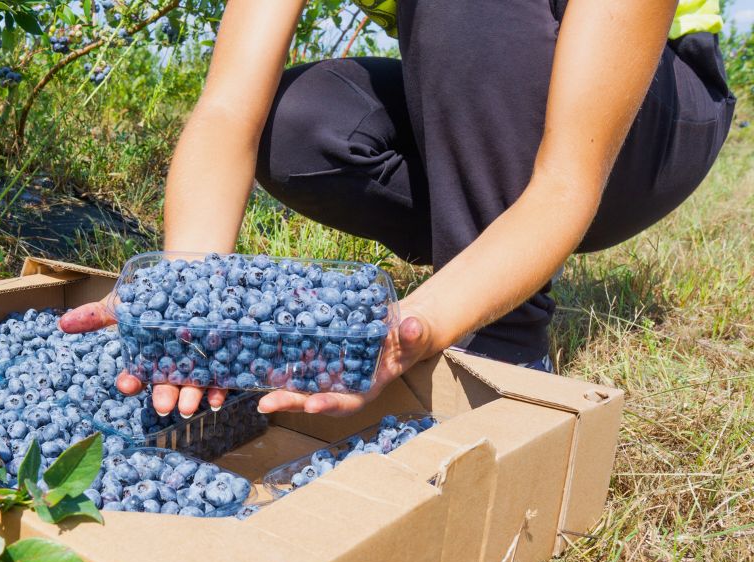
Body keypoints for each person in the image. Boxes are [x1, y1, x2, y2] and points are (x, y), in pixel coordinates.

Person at [61, 0, 736, 417]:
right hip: (496, 102)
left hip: (644, 121)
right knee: (298, 126)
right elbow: (230, 107)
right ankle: (469, 249)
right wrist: (188, 289)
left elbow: (567, 181)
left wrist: (411, 330)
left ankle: (503, 343)